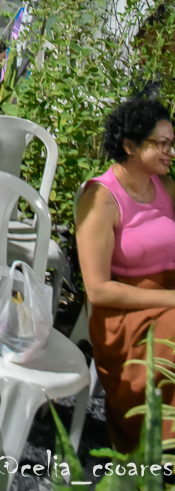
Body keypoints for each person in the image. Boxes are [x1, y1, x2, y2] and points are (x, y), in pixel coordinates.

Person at [76, 97, 175, 451]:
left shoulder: (166, 187)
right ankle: (157, 449)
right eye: (161, 144)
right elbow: (98, 291)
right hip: (123, 314)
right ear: (130, 146)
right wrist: (170, 300)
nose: (170, 152)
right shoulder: (101, 199)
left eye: (172, 143)